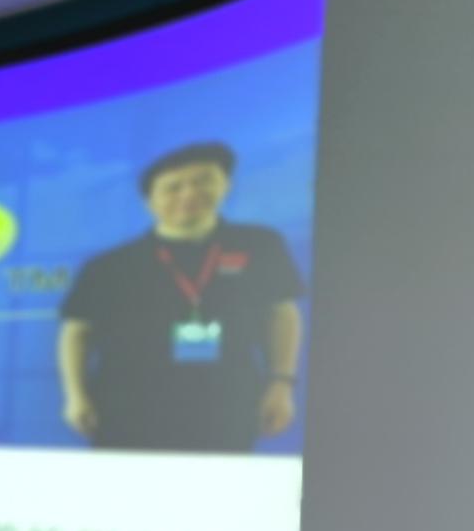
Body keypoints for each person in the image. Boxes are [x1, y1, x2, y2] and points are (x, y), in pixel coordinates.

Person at [57, 142, 304, 453]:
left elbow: (282, 312)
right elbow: (77, 332)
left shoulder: (260, 245)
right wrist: (75, 395)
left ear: (225, 185)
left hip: (226, 402)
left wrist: (281, 384)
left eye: (202, 181)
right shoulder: (109, 265)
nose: (188, 194)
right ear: (150, 201)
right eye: (173, 187)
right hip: (128, 406)